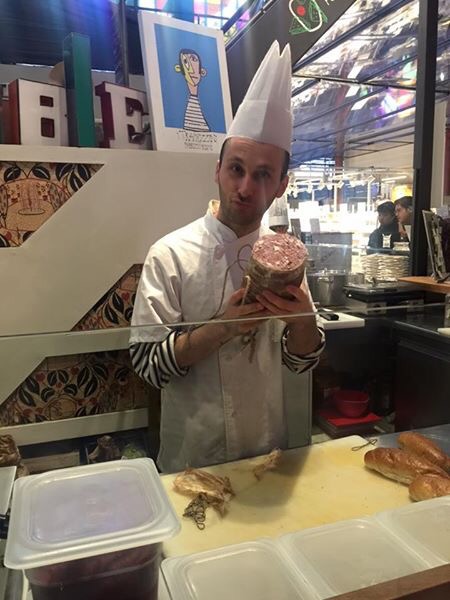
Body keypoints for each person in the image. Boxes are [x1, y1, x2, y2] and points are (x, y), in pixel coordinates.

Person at [130, 42, 325, 473]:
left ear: (281, 185)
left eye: (263, 175)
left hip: (265, 455)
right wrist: (223, 327)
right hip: (191, 459)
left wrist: (304, 322)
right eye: (236, 169)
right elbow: (148, 367)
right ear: (217, 169)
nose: (245, 187)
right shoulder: (170, 254)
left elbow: (301, 361)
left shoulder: (286, 260)